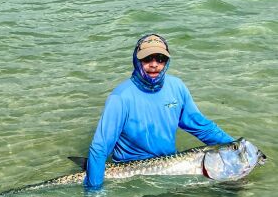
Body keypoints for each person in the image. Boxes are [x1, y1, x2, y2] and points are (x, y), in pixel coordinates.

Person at [84, 33, 234, 188]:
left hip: (171, 167)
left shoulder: (177, 87)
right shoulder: (120, 98)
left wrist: (235, 148)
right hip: (131, 176)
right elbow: (100, 148)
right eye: (147, 58)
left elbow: (203, 128)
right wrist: (95, 192)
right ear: (137, 60)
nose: (154, 64)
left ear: (167, 61)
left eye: (160, 59)